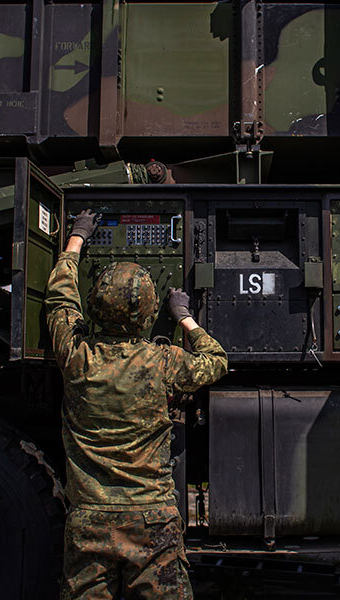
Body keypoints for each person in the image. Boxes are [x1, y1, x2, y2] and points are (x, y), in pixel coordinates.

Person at [44, 209, 229, 600]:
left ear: (94, 307)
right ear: (148, 313)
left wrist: (76, 237)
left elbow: (60, 298)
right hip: (152, 520)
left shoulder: (77, 357)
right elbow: (216, 361)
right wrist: (185, 319)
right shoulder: (164, 363)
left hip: (88, 521)